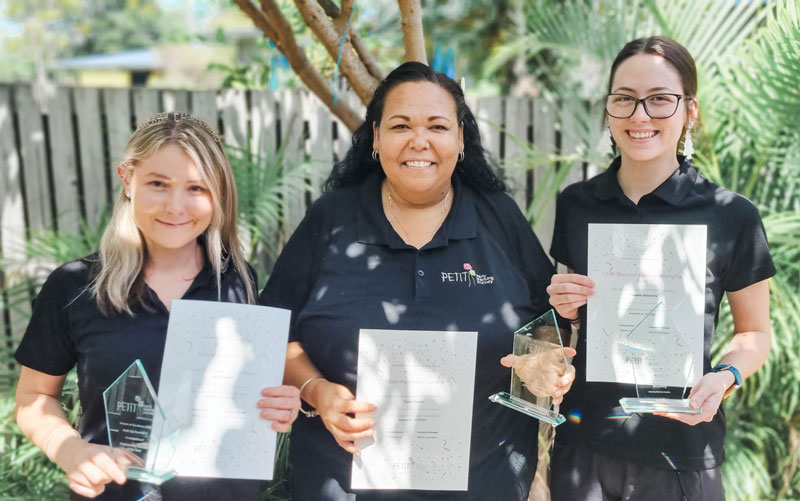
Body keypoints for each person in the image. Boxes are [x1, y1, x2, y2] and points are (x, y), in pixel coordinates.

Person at [259, 61, 574, 500]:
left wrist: (544, 364)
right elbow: (273, 329)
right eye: (401, 125)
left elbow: (547, 322)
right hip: (343, 480)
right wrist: (316, 391)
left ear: (461, 138)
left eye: (438, 126)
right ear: (376, 137)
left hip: (484, 480)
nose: (419, 141)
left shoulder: (498, 217)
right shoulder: (332, 220)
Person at [14, 112, 301, 500]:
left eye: (196, 188)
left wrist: (280, 403)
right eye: (158, 184)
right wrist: (72, 451)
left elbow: (246, 397)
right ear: (127, 179)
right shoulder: (76, 286)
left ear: (218, 194)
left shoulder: (238, 281)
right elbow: (35, 398)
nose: (175, 206)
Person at [546, 36, 774, 500]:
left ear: (689, 111)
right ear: (608, 109)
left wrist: (725, 378)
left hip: (681, 453)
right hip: (582, 447)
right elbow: (564, 331)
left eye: (660, 100)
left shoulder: (730, 214)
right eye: (624, 99)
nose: (640, 115)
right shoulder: (576, 204)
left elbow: (755, 335)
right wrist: (563, 312)